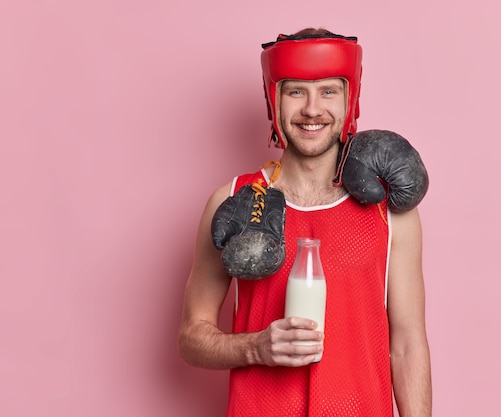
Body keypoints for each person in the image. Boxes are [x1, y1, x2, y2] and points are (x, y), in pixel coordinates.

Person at [178, 28, 432, 417]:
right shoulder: (233, 199)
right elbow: (192, 337)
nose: (313, 109)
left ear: (351, 100)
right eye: (296, 91)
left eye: (328, 91)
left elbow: (408, 344)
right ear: (273, 99)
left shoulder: (391, 214)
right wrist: (255, 347)